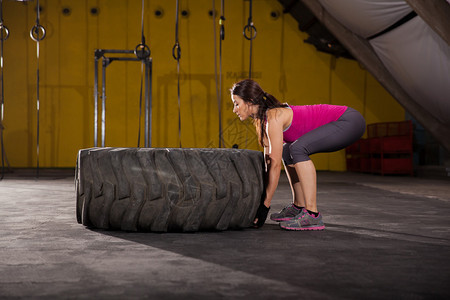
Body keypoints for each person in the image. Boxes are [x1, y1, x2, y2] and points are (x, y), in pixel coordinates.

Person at [230, 79, 366, 230]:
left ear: (249, 101)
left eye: (236, 103)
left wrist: (265, 206)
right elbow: (269, 163)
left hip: (349, 121)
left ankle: (312, 215)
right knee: (288, 150)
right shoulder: (264, 122)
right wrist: (262, 200)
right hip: (347, 121)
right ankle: (298, 206)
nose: (234, 109)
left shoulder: (273, 116)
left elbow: (275, 166)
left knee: (297, 148)